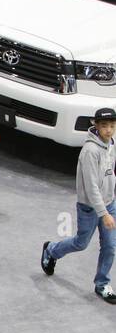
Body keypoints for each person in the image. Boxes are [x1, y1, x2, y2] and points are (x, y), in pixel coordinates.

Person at [41, 108, 116, 304]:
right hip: (89, 207)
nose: (109, 130)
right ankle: (51, 250)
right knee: (81, 243)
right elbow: (91, 188)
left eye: (112, 126)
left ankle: (102, 284)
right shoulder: (90, 152)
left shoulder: (111, 144)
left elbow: (110, 173)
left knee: (110, 246)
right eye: (105, 126)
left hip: (109, 202)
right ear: (96, 126)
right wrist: (104, 214)